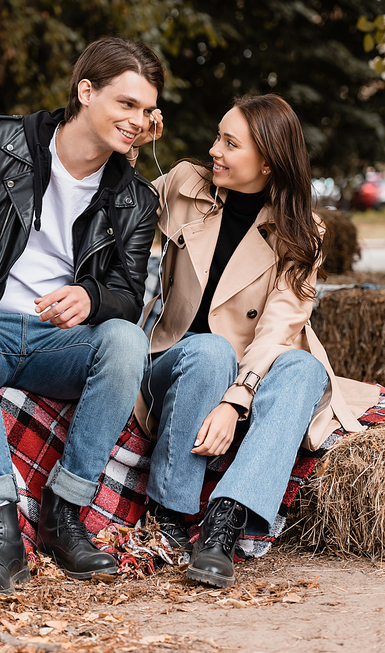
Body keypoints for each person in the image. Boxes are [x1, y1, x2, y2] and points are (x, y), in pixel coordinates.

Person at [0, 37, 165, 597]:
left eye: (146, 110)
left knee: (124, 340)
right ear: (86, 91)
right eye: (125, 104)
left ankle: (64, 514)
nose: (136, 120)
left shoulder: (135, 198)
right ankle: (0, 531)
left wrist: (92, 299)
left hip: (61, 347)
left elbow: (127, 293)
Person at [134, 93, 378, 588]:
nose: (213, 151)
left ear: (267, 160)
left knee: (306, 368)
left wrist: (235, 400)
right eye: (217, 138)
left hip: (250, 369)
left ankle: (225, 523)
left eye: (229, 143)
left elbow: (279, 327)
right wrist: (132, 148)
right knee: (210, 349)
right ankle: (169, 515)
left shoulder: (302, 230)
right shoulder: (185, 183)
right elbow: (115, 206)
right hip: (179, 359)